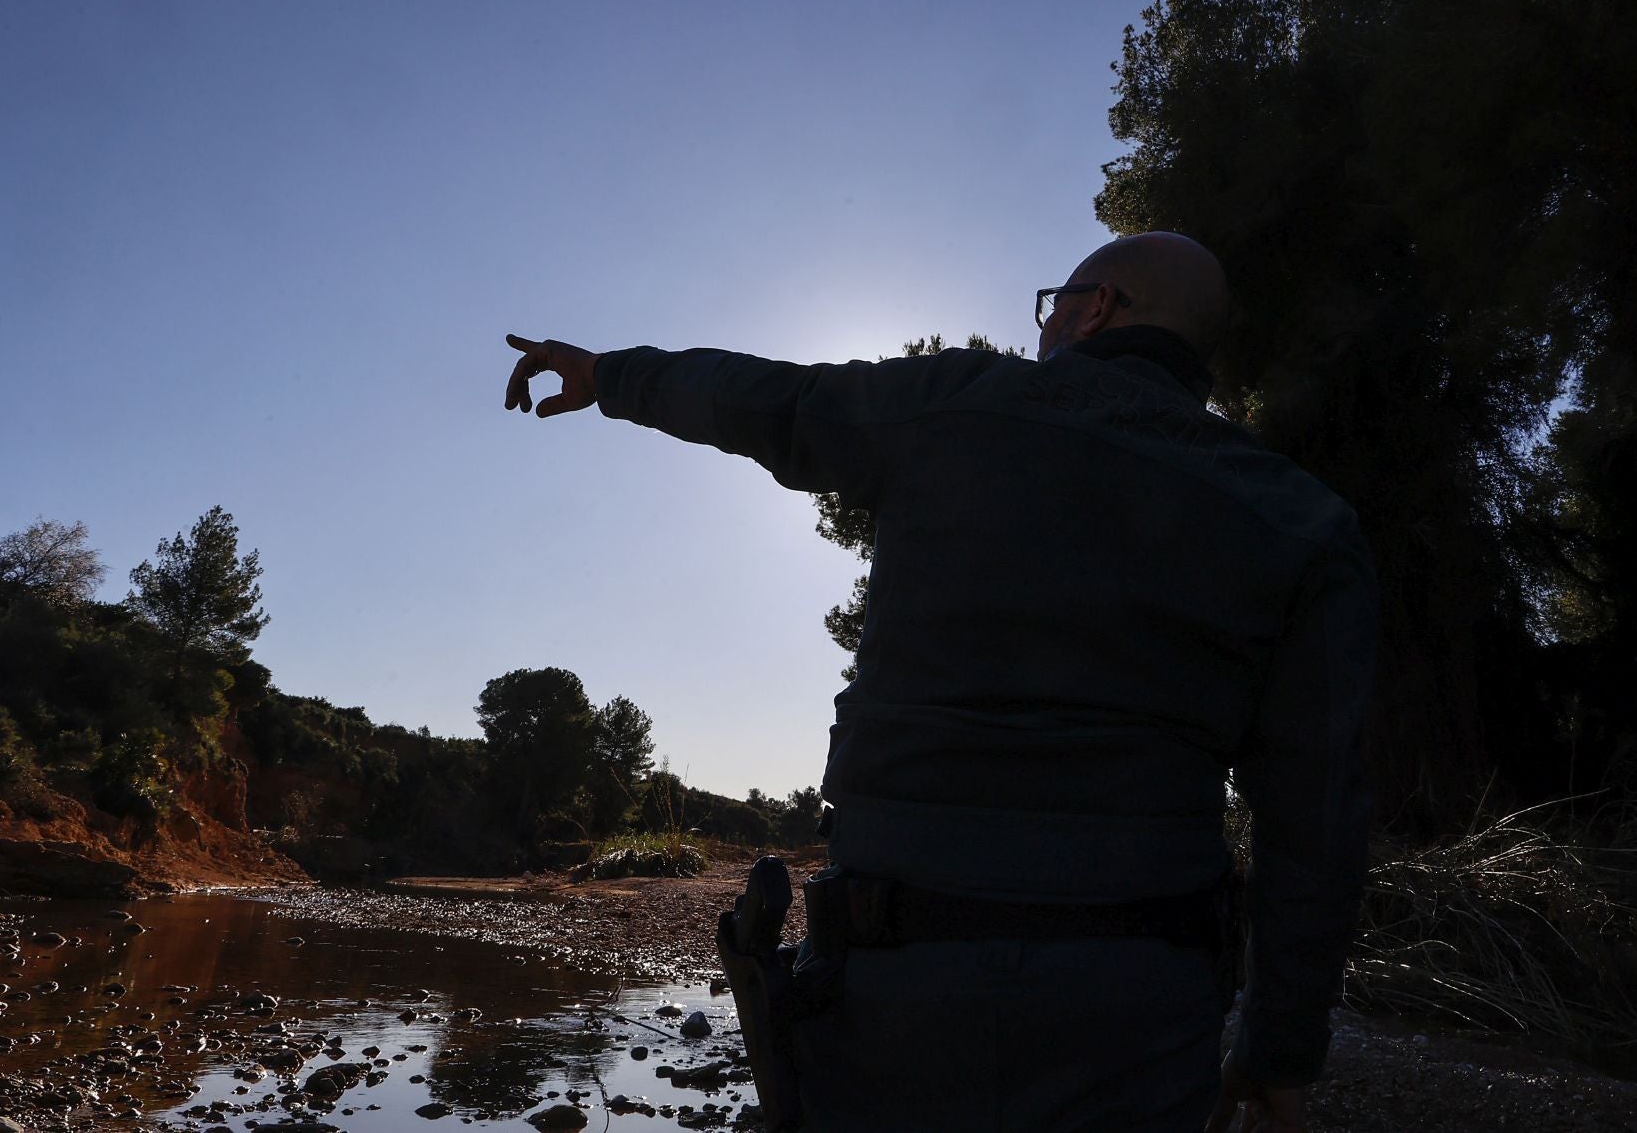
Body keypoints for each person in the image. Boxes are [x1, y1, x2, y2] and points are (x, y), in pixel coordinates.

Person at [502, 231, 1375, 1132]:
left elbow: (773, 400)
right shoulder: (1301, 520)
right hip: (1143, 1003)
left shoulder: (957, 402)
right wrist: (1277, 1046)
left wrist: (610, 376)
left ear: (1098, 308)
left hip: (898, 985)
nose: (1046, 326)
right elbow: (1316, 812)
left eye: (1056, 303)